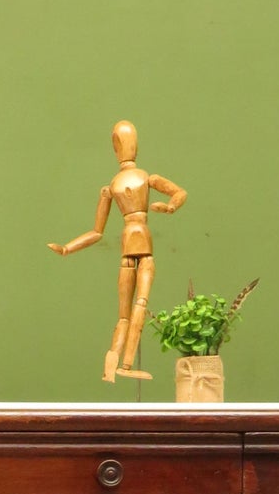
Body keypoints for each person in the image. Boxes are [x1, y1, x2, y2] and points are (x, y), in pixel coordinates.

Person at [47, 119, 187, 382]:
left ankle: (114, 365)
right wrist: (169, 207)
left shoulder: (112, 186)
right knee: (139, 305)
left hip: (128, 246)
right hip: (143, 247)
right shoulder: (146, 178)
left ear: (116, 148)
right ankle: (123, 365)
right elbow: (179, 193)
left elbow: (96, 232)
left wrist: (67, 248)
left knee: (125, 312)